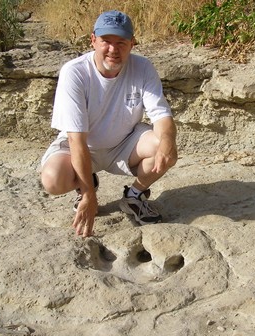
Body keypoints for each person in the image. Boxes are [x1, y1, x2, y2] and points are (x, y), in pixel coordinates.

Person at [41, 10, 177, 237]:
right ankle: (86, 182)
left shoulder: (143, 67)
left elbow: (162, 116)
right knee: (52, 180)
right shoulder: (74, 73)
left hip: (124, 144)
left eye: (121, 42)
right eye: (106, 41)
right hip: (84, 147)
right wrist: (88, 195)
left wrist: (167, 141)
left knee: (166, 148)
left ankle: (134, 196)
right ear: (93, 40)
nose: (113, 50)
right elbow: (77, 140)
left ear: (132, 43)